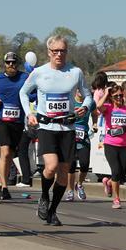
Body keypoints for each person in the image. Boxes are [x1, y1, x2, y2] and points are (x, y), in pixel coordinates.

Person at [20, 35, 93, 226]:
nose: (59, 54)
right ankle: (44, 196)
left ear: (67, 52)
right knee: (51, 166)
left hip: (67, 128)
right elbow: (23, 92)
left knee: (63, 173)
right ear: (49, 52)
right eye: (55, 51)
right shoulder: (39, 72)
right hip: (46, 127)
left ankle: (52, 211)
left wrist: (85, 107)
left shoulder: (75, 72)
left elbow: (88, 96)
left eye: (62, 51)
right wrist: (29, 113)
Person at [0, 52, 28, 200]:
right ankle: (4, 187)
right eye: (8, 62)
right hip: (1, 119)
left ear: (18, 64)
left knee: (10, 154)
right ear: (4, 64)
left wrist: (31, 98)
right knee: (4, 152)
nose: (11, 65)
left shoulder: (25, 77)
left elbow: (33, 93)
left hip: (17, 121)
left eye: (14, 62)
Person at [96, 84, 126, 208]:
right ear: (111, 97)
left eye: (121, 95)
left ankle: (109, 182)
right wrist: (106, 93)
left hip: (124, 145)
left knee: (121, 175)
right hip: (110, 144)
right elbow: (98, 106)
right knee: (115, 171)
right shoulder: (108, 108)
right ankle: (116, 199)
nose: (119, 98)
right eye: (116, 96)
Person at [65, 88, 95, 202]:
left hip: (83, 136)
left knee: (84, 164)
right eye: (78, 90)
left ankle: (80, 184)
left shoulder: (90, 102)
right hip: (70, 135)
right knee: (71, 165)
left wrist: (95, 123)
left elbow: (95, 113)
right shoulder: (69, 101)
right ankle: (70, 190)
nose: (80, 92)